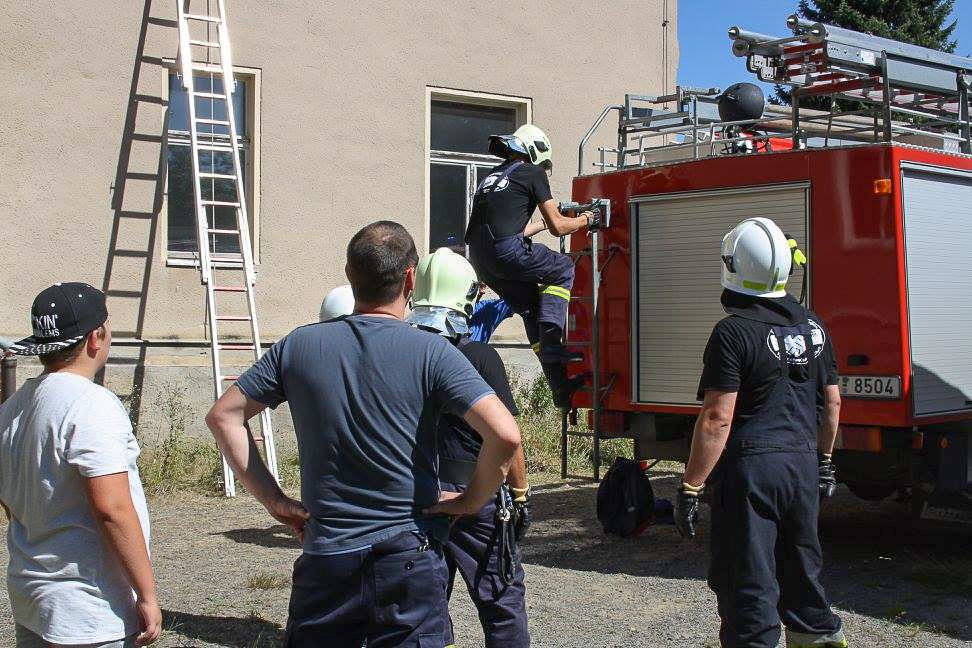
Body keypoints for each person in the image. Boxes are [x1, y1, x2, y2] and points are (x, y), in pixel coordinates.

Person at [205, 221, 522, 648]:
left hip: (326, 557)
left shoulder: (297, 346)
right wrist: (469, 501)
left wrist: (275, 501)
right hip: (408, 556)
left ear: (350, 276)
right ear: (410, 278)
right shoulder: (433, 353)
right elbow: (505, 435)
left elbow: (224, 416)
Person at [675, 218, 847, 648]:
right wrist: (824, 463)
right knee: (802, 573)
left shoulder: (732, 332)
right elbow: (832, 403)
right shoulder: (814, 326)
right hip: (803, 466)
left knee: (748, 583)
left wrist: (691, 486)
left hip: (752, 472)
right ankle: (818, 638)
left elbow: (717, 418)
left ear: (734, 266)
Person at [0, 283, 161, 647]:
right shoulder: (92, 405)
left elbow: (11, 500)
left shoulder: (11, 409)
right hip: (88, 607)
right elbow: (113, 508)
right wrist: (147, 595)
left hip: (33, 597)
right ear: (96, 338)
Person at [407, 248, 531, 648]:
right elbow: (509, 436)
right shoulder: (478, 356)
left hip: (420, 497)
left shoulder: (402, 354)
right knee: (501, 602)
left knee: (425, 607)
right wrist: (520, 493)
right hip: (474, 496)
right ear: (465, 299)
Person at [464, 124, 600, 408]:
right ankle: (552, 344)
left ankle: (560, 388)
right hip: (506, 252)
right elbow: (560, 229)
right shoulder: (532, 172)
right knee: (562, 267)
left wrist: (543, 222)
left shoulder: (491, 177)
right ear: (535, 151)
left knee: (530, 307)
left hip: (480, 259)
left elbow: (509, 230)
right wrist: (588, 219)